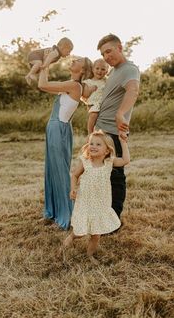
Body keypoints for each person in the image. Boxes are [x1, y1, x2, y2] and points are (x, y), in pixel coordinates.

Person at [38, 57, 93, 230]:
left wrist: (44, 65)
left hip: (58, 128)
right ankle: (52, 212)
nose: (73, 60)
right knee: (52, 170)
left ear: (82, 70)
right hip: (57, 127)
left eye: (77, 61)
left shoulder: (74, 86)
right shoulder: (74, 85)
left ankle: (66, 217)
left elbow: (43, 85)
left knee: (60, 172)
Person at [61, 130, 130, 262]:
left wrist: (123, 142)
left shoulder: (109, 162)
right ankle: (71, 237)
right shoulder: (86, 162)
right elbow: (75, 175)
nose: (93, 146)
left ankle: (90, 255)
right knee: (80, 232)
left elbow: (126, 160)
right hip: (85, 202)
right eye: (91, 143)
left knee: (96, 235)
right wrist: (73, 188)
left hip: (101, 204)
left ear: (106, 150)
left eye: (98, 144)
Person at [95, 34, 140, 218]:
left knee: (115, 175)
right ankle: (102, 213)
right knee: (100, 174)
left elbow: (133, 90)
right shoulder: (112, 72)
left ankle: (114, 219)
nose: (106, 57)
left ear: (120, 48)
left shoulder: (130, 69)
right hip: (101, 129)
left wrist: (121, 113)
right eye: (103, 54)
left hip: (113, 132)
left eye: (109, 51)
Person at [81, 58, 109, 134]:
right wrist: (90, 89)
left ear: (106, 71)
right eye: (97, 68)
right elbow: (84, 94)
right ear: (93, 69)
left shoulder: (106, 81)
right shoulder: (88, 82)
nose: (99, 71)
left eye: (103, 69)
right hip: (94, 104)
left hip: (104, 104)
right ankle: (90, 132)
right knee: (94, 115)